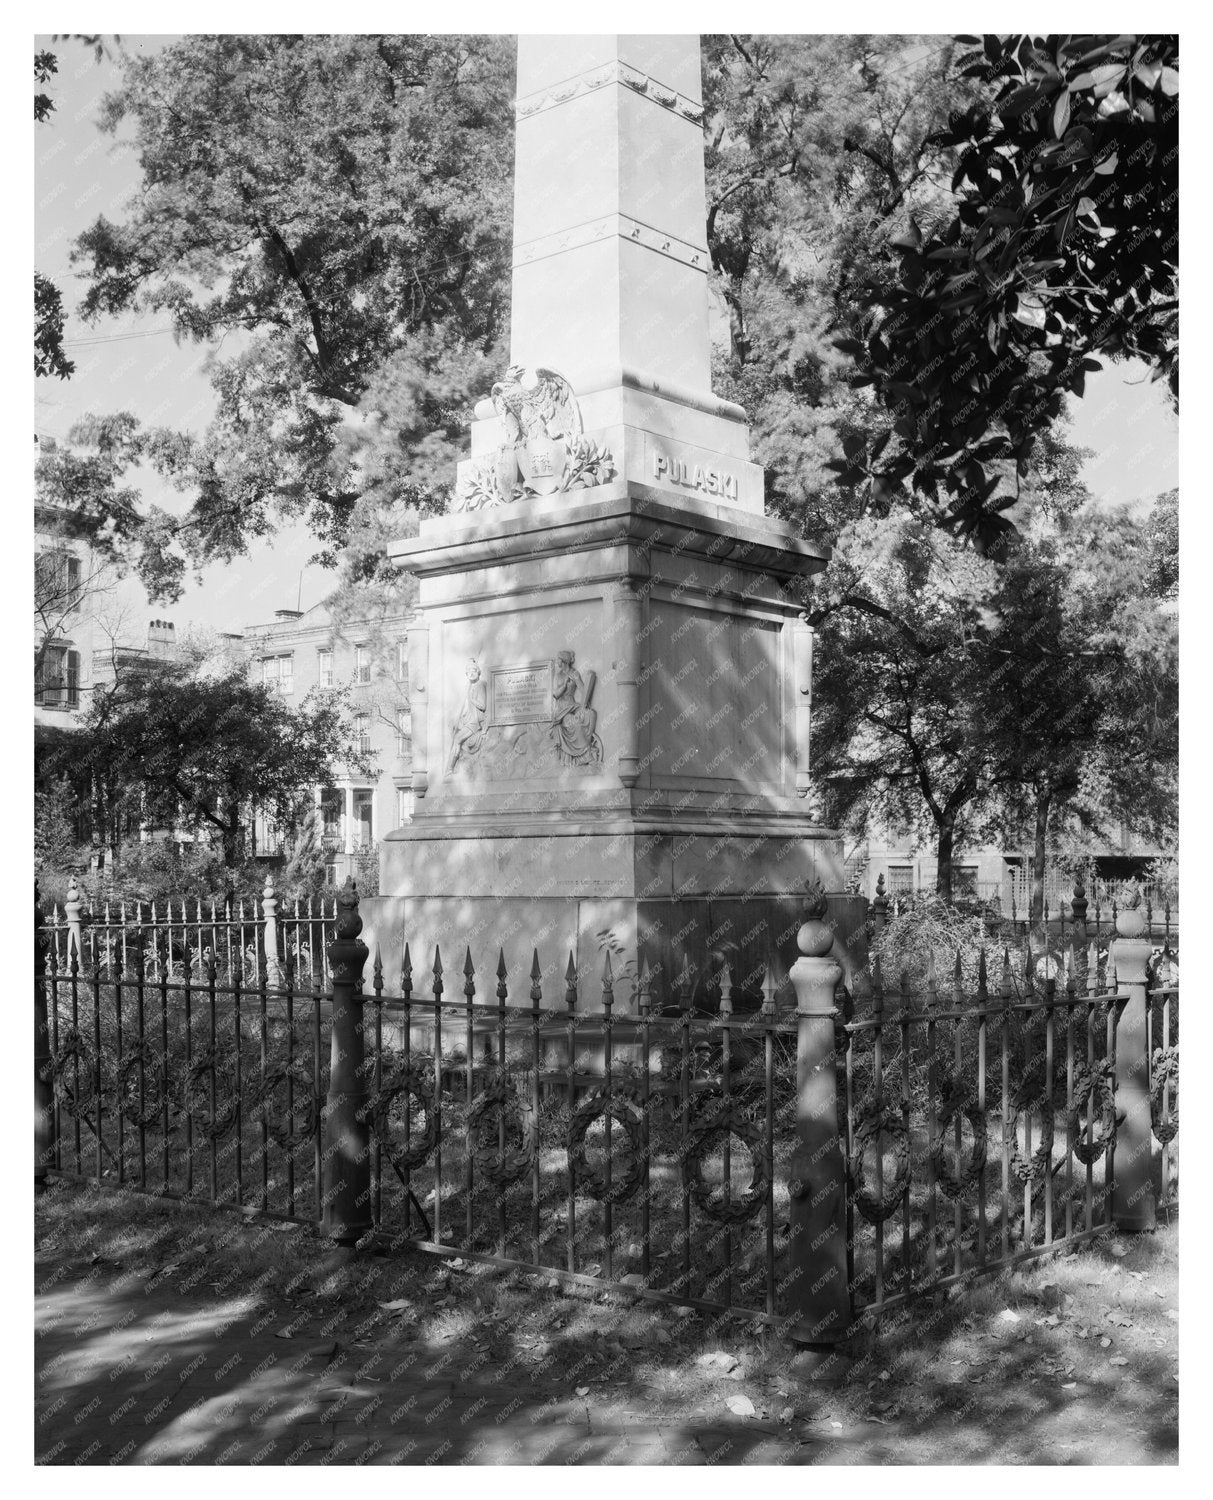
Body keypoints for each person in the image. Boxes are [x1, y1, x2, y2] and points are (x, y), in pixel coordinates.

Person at [550, 650, 600, 766]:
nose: (557, 661)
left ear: (564, 661)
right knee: (574, 722)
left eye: (558, 659)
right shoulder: (558, 676)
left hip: (572, 705)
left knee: (591, 714)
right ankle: (584, 753)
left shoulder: (574, 673)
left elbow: (582, 689)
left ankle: (588, 743)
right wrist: (564, 685)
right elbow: (555, 694)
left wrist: (586, 698)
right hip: (562, 709)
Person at [447, 659, 488, 772]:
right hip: (468, 720)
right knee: (454, 734)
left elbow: (483, 706)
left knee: (457, 739)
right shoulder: (469, 687)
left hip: (475, 722)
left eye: (474, 670)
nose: (471, 673)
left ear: (478, 672)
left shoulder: (480, 685)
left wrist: (473, 699)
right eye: (469, 671)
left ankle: (450, 768)